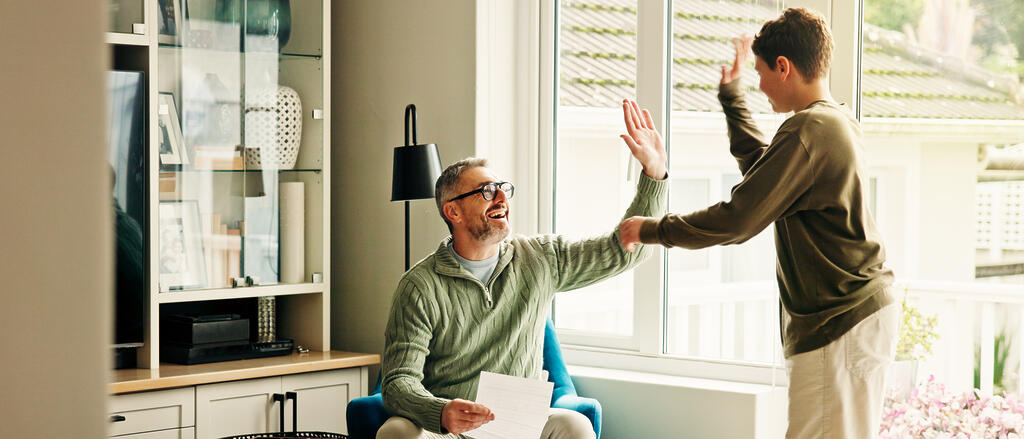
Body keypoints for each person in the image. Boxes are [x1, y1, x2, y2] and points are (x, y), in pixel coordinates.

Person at [618, 8, 899, 439]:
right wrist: (732, 97)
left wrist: (652, 229)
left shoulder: (810, 128)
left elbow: (739, 218)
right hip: (852, 315)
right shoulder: (832, 121)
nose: (761, 85)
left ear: (783, 67)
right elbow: (763, 174)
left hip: (839, 320)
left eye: (761, 73)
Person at [378, 100, 668, 439]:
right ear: (453, 212)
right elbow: (398, 381)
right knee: (395, 432)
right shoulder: (420, 286)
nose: (502, 197)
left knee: (574, 425)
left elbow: (624, 252)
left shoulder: (540, 258)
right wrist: (439, 412)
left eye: (504, 189)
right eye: (487, 191)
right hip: (448, 429)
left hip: (517, 426)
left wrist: (653, 174)